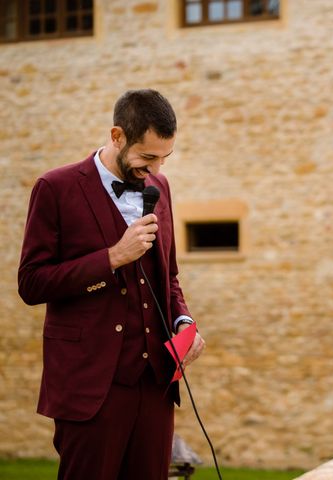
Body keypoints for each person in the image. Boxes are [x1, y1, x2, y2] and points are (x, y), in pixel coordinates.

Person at [18, 89, 205, 480]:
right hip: (90, 385)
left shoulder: (161, 187)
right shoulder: (55, 188)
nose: (155, 169)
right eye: (147, 157)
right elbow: (32, 283)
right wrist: (112, 257)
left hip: (155, 382)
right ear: (117, 136)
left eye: (163, 159)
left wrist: (183, 323)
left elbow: (167, 276)